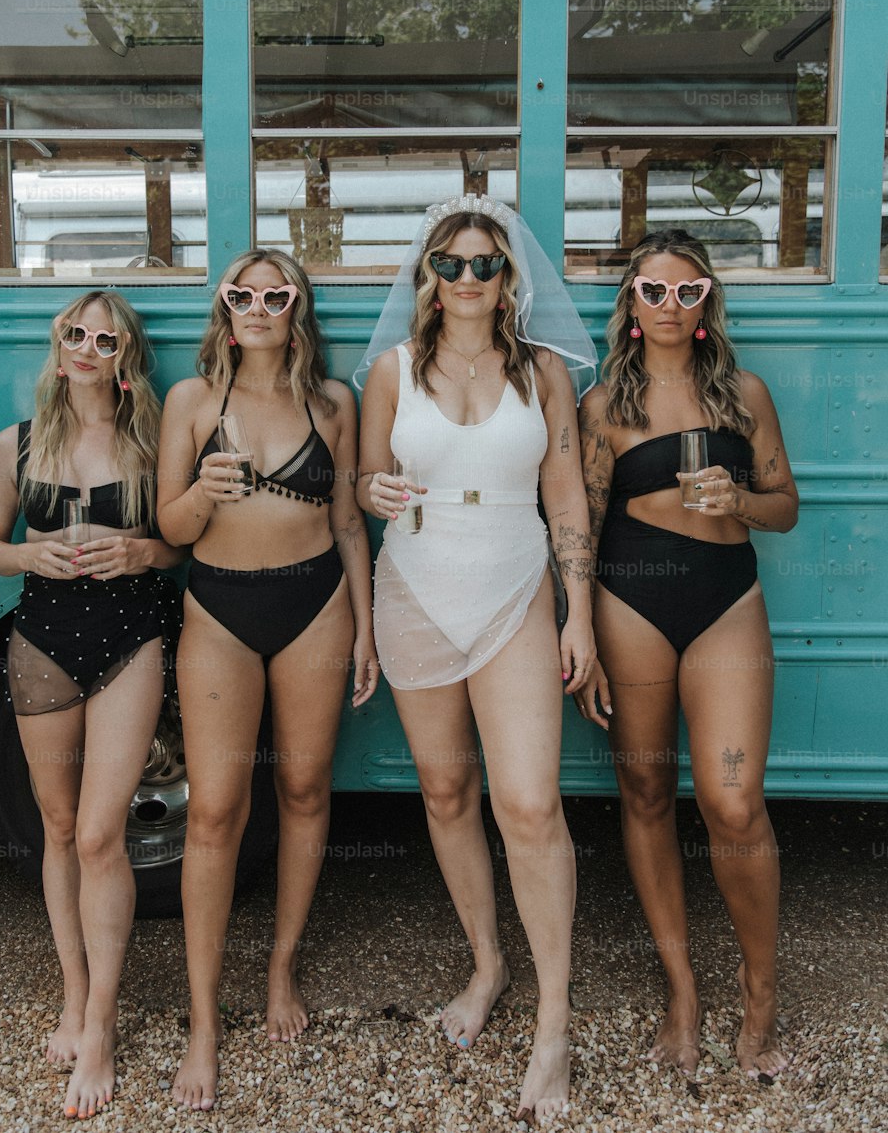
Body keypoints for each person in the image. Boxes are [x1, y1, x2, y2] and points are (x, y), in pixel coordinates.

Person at [355, 193, 601, 1120]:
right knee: (447, 793)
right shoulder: (390, 370)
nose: (465, 278)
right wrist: (373, 489)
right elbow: (361, 481)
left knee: (530, 805)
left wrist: (578, 614)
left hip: (514, 584)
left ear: (510, 279)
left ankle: (553, 1023)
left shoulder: (543, 372)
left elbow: (568, 495)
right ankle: (488, 964)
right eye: (448, 264)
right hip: (413, 587)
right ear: (428, 275)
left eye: (483, 264)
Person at [159, 249, 379, 1111]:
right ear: (225, 306)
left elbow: (350, 518)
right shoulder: (191, 401)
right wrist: (202, 493)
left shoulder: (332, 403)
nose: (256, 306)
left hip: (316, 604)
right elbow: (170, 530)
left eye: (274, 294)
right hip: (218, 611)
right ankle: (204, 1022)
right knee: (214, 809)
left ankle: (281, 967)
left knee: (304, 789)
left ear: (298, 307)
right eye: (239, 294)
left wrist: (363, 627)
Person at [578, 227, 798, 1078]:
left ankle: (761, 1001)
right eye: (654, 291)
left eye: (688, 291)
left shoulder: (745, 393)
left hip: (724, 603)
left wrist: (739, 496)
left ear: (708, 305)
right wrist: (581, 635)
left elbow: (786, 508)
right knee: (644, 789)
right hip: (629, 603)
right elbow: (583, 529)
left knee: (734, 801)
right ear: (631, 306)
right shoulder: (601, 408)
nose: (670, 306)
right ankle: (682, 995)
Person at [0, 290, 183, 1120]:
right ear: (59, 346)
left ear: (125, 354)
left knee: (102, 834)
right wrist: (31, 552)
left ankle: (100, 1027)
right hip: (43, 648)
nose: (88, 347)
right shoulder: (18, 445)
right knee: (58, 830)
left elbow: (183, 544)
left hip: (131, 642)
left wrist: (141, 550)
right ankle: (74, 989)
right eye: (76, 334)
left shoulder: (152, 441)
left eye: (106, 337)